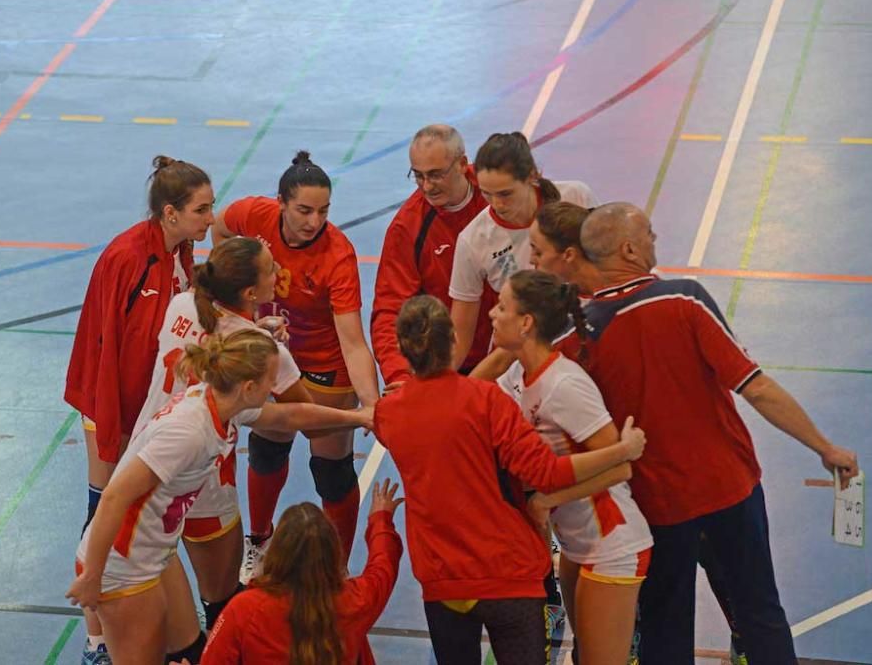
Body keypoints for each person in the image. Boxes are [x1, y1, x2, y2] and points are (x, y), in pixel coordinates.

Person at [554, 202, 860, 664]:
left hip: (655, 508)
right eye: (650, 234)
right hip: (729, 492)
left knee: (664, 625)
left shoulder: (577, 336)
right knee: (759, 613)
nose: (657, 240)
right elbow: (756, 388)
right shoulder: (683, 298)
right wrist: (824, 446)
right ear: (630, 248)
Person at [67, 331, 373, 665]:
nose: (276, 387)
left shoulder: (220, 404)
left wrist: (358, 418)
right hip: (122, 563)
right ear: (250, 388)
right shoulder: (189, 432)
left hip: (153, 551)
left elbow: (290, 416)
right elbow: (114, 496)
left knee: (190, 652)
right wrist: (93, 574)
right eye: (273, 380)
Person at [373, 295, 647, 665]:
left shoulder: (389, 413)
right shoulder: (487, 400)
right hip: (507, 574)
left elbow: (424, 409)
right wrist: (621, 451)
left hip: (442, 582)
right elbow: (546, 474)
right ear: (454, 338)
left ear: (404, 350)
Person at [64, 155, 214, 663]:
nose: (210, 219)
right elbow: (105, 350)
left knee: (137, 512)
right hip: (113, 405)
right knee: (103, 507)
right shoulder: (127, 258)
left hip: (147, 408)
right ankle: (96, 641)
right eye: (202, 210)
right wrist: (116, 430)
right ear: (169, 213)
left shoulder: (181, 250)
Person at [132, 236, 315, 638]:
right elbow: (300, 415)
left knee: (155, 606)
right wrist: (359, 415)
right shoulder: (265, 351)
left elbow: (214, 333)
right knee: (221, 602)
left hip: (144, 463)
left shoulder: (181, 303)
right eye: (271, 268)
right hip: (203, 483)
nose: (279, 272)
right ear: (251, 292)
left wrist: (253, 326)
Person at [212, 151, 380, 580]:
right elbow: (221, 227)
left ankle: (337, 568)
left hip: (326, 366)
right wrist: (238, 299)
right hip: (274, 355)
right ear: (282, 203)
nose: (314, 221)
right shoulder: (255, 215)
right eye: (304, 210)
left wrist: (370, 404)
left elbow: (353, 341)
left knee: (332, 472)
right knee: (267, 450)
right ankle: (259, 542)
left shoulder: (337, 255)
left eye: (323, 211)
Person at [491, 269, 653, 664]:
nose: (492, 315)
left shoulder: (564, 385)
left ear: (526, 323)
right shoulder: (517, 374)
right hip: (576, 544)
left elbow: (620, 467)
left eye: (501, 307)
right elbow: (472, 402)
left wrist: (548, 500)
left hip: (612, 542)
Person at [199, 479, 404, 665]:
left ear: (277, 552)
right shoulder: (356, 601)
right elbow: (384, 565)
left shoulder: (244, 609)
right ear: (334, 553)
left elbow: (213, 660)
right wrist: (381, 519)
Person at [448, 132, 599, 368]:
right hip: (520, 358)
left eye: (505, 194)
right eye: (486, 194)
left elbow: (605, 266)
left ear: (532, 176)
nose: (496, 204)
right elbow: (460, 336)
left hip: (588, 335)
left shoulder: (575, 197)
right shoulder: (473, 239)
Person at [371, 124, 493, 389]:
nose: (427, 187)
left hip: (508, 352)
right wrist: (401, 376)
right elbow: (390, 311)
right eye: (418, 176)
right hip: (449, 366)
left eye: (436, 175)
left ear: (462, 164)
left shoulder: (496, 195)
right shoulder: (407, 228)